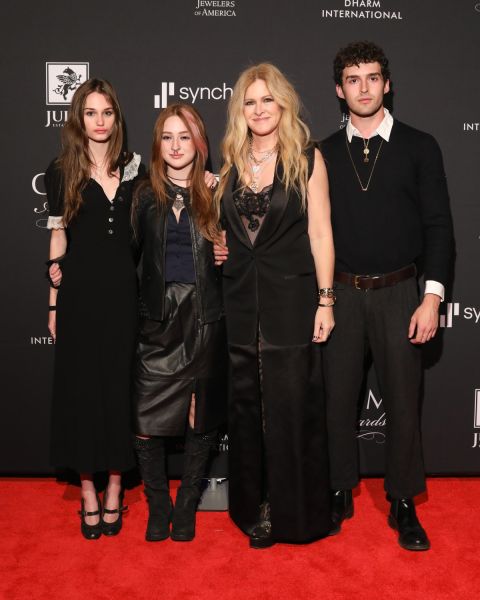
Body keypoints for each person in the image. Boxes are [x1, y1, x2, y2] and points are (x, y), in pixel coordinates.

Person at [320, 41, 454, 550]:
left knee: (402, 402)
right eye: (353, 80)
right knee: (336, 400)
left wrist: (432, 297)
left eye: (372, 78)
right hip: (342, 293)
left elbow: (439, 227)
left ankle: (402, 502)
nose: (364, 88)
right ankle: (338, 490)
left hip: (401, 292)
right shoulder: (323, 153)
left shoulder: (421, 146)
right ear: (340, 89)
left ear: (387, 84)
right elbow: (309, 229)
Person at [213, 63, 335, 548]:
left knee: (291, 407)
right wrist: (219, 244)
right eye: (250, 101)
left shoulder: (306, 157)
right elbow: (226, 231)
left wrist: (325, 300)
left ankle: (297, 511)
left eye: (267, 100)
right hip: (241, 301)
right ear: (239, 110)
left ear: (283, 105)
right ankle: (255, 507)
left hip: (292, 300)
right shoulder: (230, 161)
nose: (259, 109)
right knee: (247, 408)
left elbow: (320, 233)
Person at [45, 78, 145, 539]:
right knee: (82, 391)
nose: (99, 121)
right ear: (78, 119)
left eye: (107, 112)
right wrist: (52, 303)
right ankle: (88, 489)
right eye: (91, 113)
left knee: (118, 388)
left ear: (116, 117)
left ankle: (115, 487)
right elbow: (58, 236)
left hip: (123, 295)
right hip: (79, 296)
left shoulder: (137, 169)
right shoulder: (61, 171)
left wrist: (206, 179)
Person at [131, 103, 227, 543]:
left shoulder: (218, 191)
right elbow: (123, 256)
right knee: (144, 416)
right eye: (167, 137)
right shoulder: (141, 195)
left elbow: (244, 249)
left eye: (184, 137)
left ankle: (186, 502)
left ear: (199, 143)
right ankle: (158, 503)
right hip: (156, 318)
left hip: (204, 316)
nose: (175, 146)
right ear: (158, 144)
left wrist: (228, 249)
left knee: (199, 415)